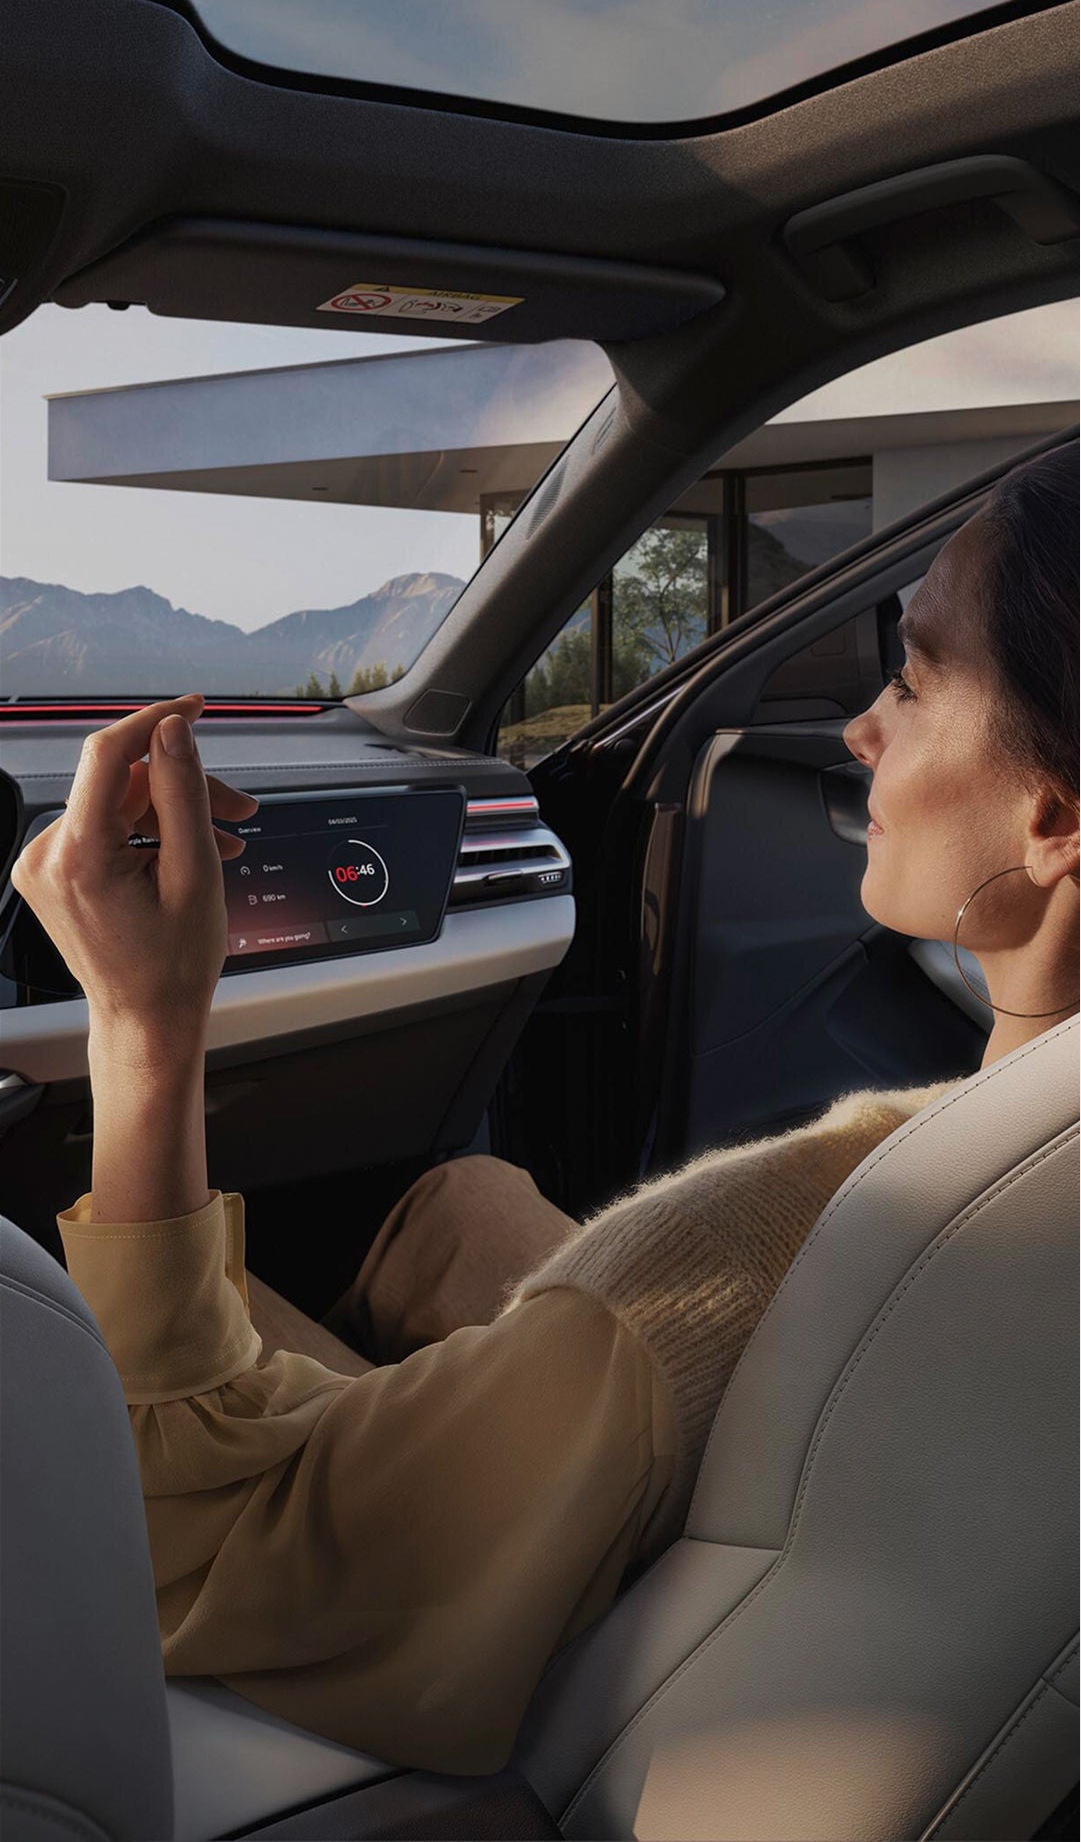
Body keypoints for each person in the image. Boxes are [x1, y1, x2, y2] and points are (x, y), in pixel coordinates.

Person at [12, 445, 1078, 1774]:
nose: (859, 729)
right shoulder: (1009, 1182)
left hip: (514, 1683)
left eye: (909, 679)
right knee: (465, 1206)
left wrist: (142, 1026)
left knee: (34, 1325)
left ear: (1051, 818)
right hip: (709, 1488)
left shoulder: (763, 1249)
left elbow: (186, 1536)